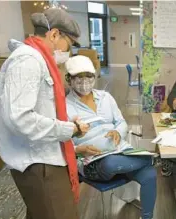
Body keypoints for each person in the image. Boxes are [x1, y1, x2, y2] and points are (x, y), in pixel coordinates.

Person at [0, 9, 89, 219]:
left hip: (44, 155)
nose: (69, 51)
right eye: (70, 44)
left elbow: (39, 108)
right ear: (55, 34)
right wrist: (69, 129)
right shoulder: (28, 61)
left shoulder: (38, 59)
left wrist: (65, 122)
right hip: (38, 161)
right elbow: (19, 118)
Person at [65, 56, 157, 219]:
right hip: (93, 161)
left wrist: (118, 132)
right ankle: (150, 158)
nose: (84, 82)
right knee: (110, 163)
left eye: (89, 77)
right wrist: (80, 149)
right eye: (79, 77)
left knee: (150, 174)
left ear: (95, 77)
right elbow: (62, 144)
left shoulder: (105, 97)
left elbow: (121, 122)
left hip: (120, 151)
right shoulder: (65, 106)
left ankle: (147, 217)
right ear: (69, 79)